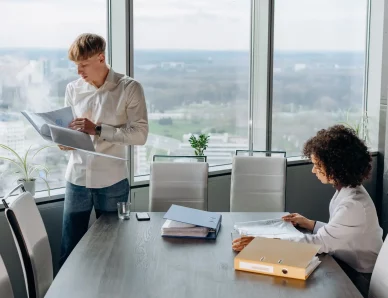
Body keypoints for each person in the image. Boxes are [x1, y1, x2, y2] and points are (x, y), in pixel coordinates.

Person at [232, 125, 383, 297]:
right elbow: (339, 232)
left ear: (335, 167)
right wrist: (311, 224)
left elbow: (317, 244)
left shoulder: (353, 205)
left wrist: (261, 244)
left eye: (318, 165)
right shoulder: (348, 190)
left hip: (358, 278)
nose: (313, 170)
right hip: (347, 265)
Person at [58, 33, 148, 267]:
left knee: (115, 247)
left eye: (84, 65)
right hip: (76, 178)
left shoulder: (129, 88)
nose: (79, 72)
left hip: (112, 180)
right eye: (76, 66)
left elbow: (140, 135)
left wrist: (98, 129)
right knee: (70, 248)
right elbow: (73, 130)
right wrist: (64, 140)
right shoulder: (73, 89)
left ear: (101, 58)